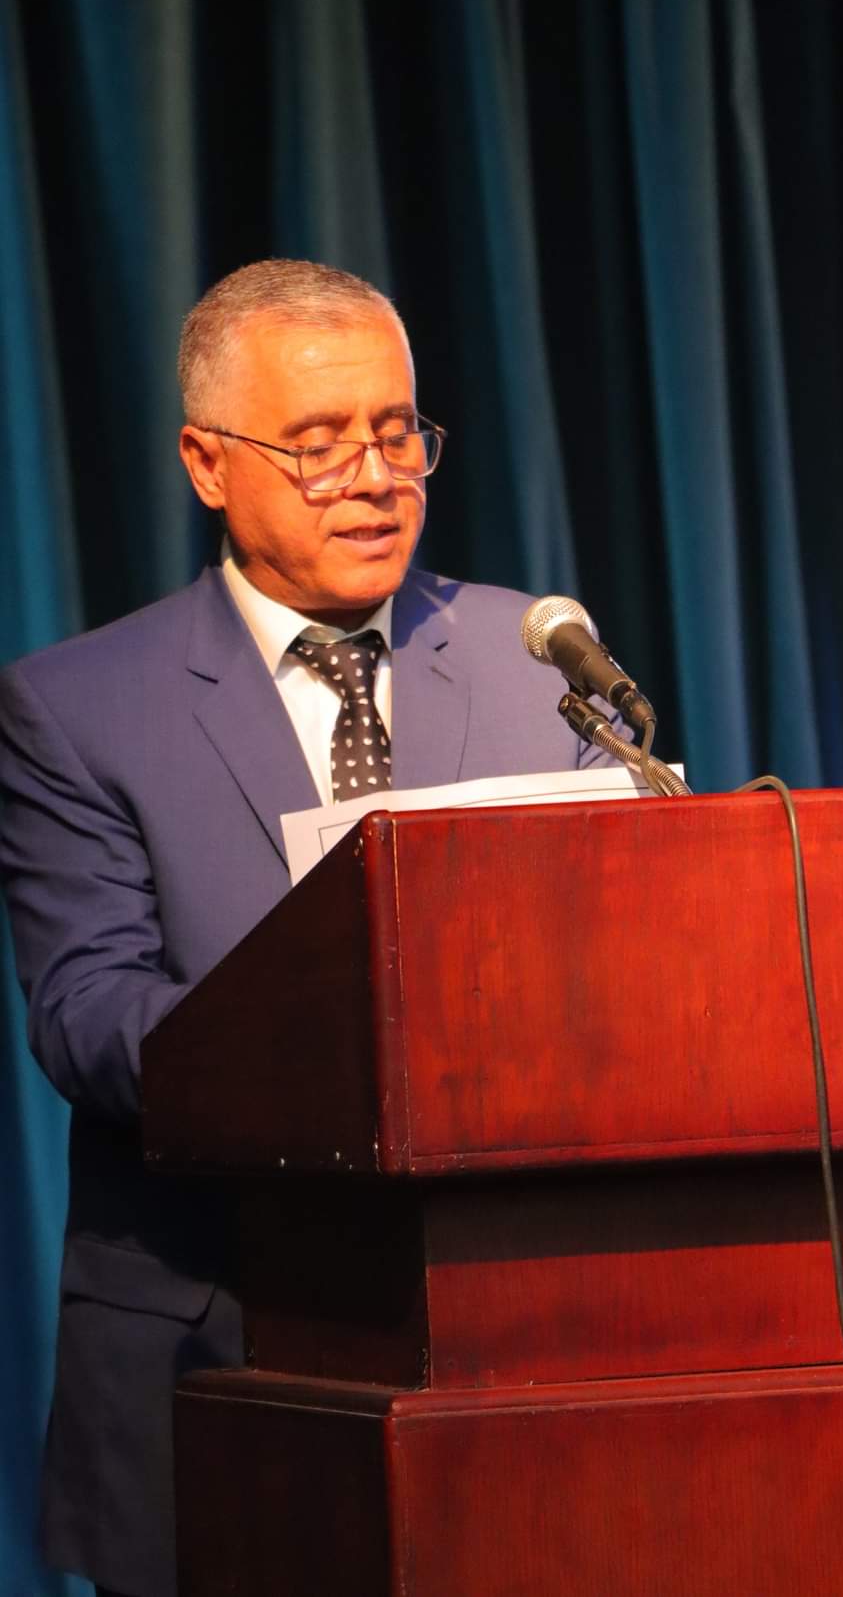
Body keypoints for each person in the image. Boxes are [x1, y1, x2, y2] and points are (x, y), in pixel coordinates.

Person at [0, 259, 617, 1597]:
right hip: (219, 1339)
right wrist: (343, 1035)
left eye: (398, 434)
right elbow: (87, 1017)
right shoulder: (79, 707)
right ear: (207, 464)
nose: (375, 479)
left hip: (513, 1344)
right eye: (320, 445)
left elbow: (628, 961)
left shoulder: (537, 665)